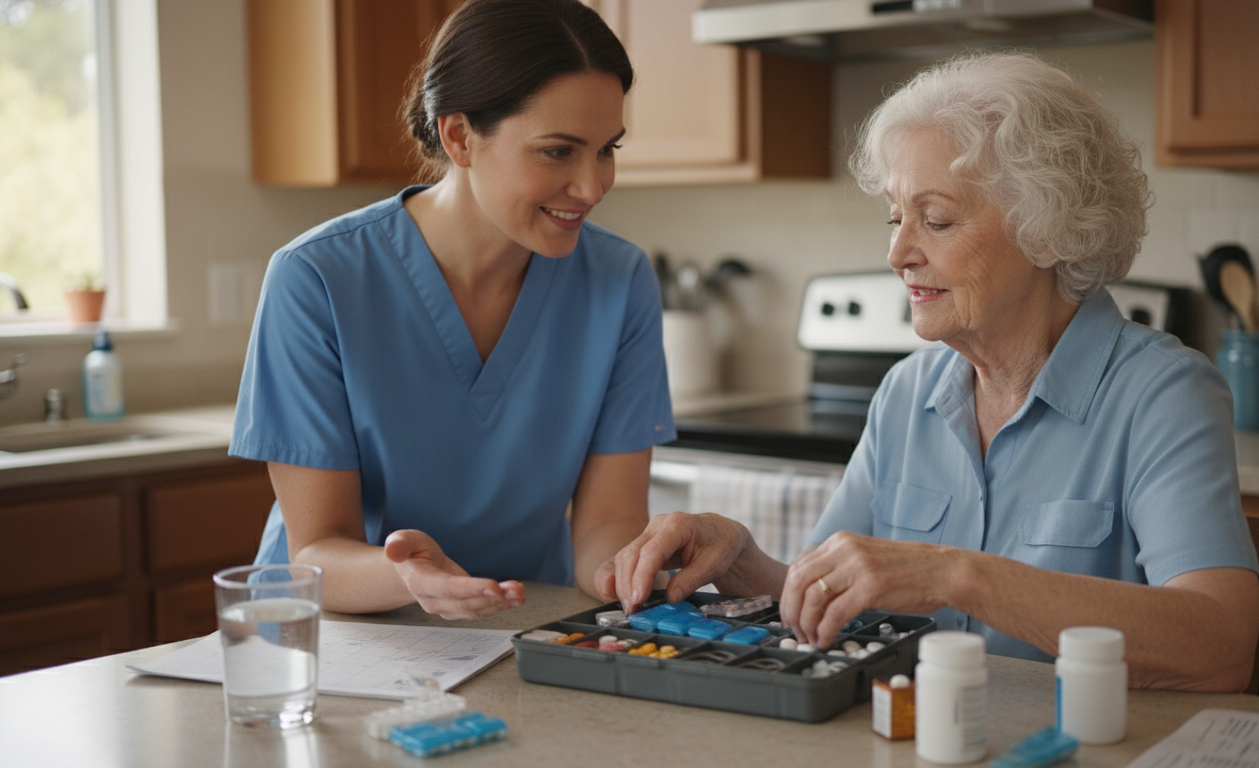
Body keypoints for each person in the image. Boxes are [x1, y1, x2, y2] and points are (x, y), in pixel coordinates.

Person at [602, 52, 1259, 691]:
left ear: (1050, 227)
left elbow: (1220, 645)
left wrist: (957, 575)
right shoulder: (906, 392)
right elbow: (833, 595)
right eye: (894, 217)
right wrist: (742, 562)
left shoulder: (1162, 393)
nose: (897, 252)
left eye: (935, 218)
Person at [230, 0, 675, 619]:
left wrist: (630, 572)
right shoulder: (317, 278)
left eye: (606, 150)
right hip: (339, 640)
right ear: (460, 136)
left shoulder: (619, 280)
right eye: (558, 151)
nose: (592, 185)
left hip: (514, 629)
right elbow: (314, 551)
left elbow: (610, 520)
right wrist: (411, 578)